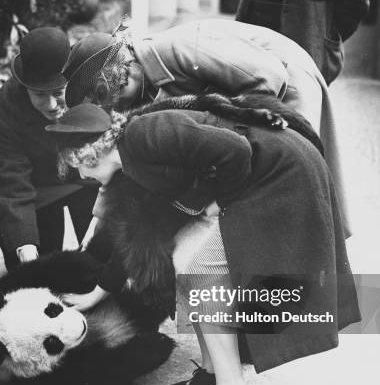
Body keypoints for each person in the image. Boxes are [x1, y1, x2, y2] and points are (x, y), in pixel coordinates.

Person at [45, 101, 360, 385]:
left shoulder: (141, 135)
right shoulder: (130, 166)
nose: (82, 177)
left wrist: (220, 201)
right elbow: (137, 234)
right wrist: (98, 292)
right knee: (183, 259)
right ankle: (213, 370)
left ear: (90, 154)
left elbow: (236, 150)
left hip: (280, 174)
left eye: (79, 167)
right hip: (256, 175)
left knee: (201, 268)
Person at [62, 19, 351, 235]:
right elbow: (116, 161)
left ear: (121, 75)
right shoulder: (137, 88)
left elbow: (269, 77)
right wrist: (96, 228)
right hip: (247, 114)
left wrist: (216, 118)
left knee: (291, 192)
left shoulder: (179, 47)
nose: (116, 109)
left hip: (287, 88)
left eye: (109, 98)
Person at [0, 27, 99, 270]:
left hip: (86, 178)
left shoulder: (91, 87)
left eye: (58, 93)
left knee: (100, 257)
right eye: (39, 94)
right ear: (24, 86)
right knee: (37, 270)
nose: (50, 105)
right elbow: (13, 177)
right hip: (36, 187)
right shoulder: (2, 109)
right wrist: (24, 244)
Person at [236, 0, 370, 86]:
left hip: (305, 44)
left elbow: (355, 3)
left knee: (301, 118)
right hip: (253, 42)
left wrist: (327, 34)